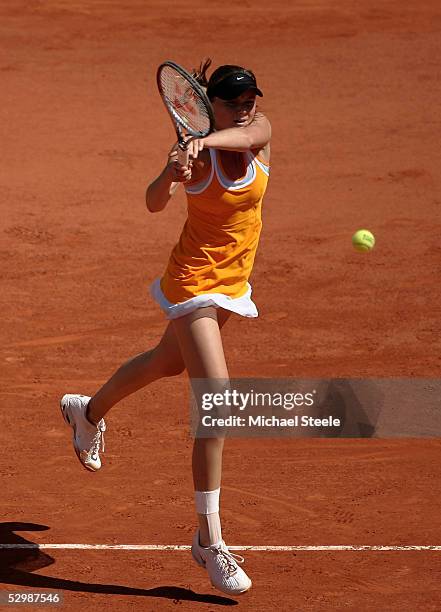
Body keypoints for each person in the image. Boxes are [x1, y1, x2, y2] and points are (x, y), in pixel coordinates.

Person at [60, 58, 271, 596]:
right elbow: (153, 204)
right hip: (193, 282)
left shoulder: (257, 137)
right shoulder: (193, 160)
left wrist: (210, 137)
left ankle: (87, 413)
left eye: (251, 101)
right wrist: (171, 172)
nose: (248, 109)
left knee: (165, 362)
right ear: (208, 104)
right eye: (235, 102)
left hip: (232, 283)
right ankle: (209, 540)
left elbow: (259, 130)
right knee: (216, 398)